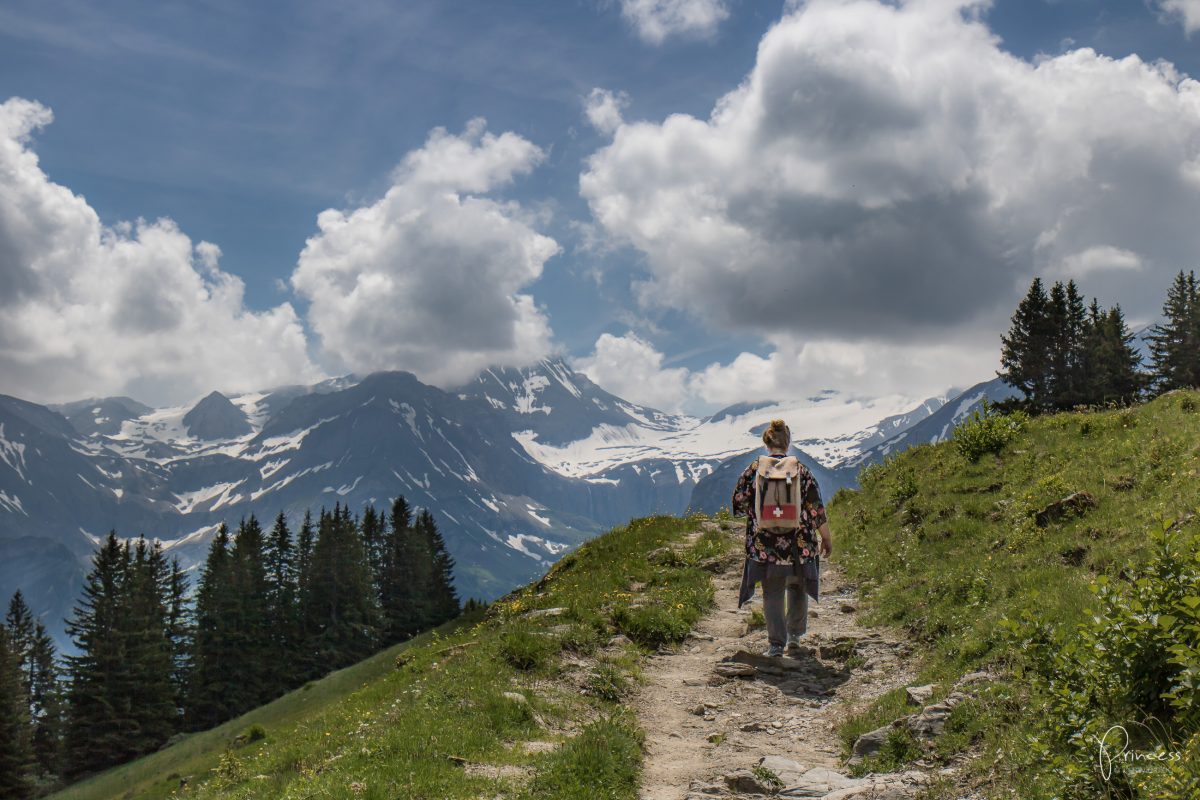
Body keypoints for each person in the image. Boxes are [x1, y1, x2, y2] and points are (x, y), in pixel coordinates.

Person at [731, 419, 833, 658]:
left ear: (766, 442)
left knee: (772, 592)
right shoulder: (801, 470)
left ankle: (776, 645)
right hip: (799, 543)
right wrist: (826, 538)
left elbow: (738, 502)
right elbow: (816, 508)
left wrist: (759, 514)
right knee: (797, 587)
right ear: (788, 442)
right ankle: (795, 637)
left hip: (766, 544)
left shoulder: (755, 469)